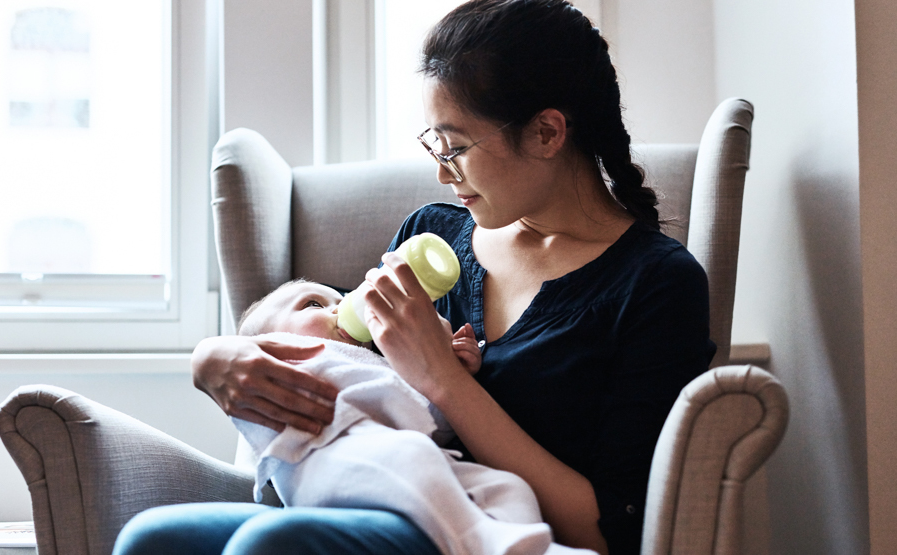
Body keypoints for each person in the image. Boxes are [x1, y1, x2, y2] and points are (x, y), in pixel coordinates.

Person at [117, 1, 714, 554]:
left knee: (272, 547)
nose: (441, 175)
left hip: (492, 531)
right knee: (155, 539)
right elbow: (332, 345)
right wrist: (214, 356)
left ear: (547, 132)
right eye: (433, 145)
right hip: (369, 498)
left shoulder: (657, 283)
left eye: (454, 147)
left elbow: (607, 528)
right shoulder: (431, 238)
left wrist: (444, 382)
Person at [222, 278, 588, 555]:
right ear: (267, 347)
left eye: (343, 298)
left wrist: (450, 366)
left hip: (411, 465)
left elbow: (438, 425)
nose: (342, 307)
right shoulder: (292, 367)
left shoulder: (375, 363)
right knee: (413, 454)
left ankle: (530, 542)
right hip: (328, 468)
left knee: (506, 486)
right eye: (314, 303)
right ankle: (484, 542)